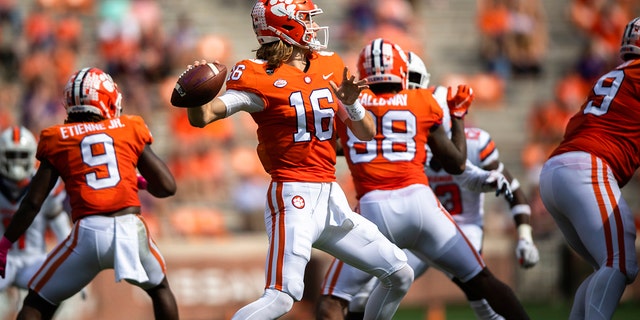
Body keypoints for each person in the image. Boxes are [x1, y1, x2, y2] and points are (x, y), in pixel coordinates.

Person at [180, 1, 414, 319]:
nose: (315, 26)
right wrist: (197, 97)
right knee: (281, 298)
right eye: (306, 20)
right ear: (284, 27)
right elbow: (204, 117)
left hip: (331, 198)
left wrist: (353, 105)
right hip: (293, 197)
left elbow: (367, 133)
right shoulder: (256, 75)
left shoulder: (329, 64)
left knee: (399, 272)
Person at [317, 38, 530, 320]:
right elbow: (455, 163)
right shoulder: (422, 101)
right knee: (482, 280)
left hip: (374, 209)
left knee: (334, 300)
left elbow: (333, 147)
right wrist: (457, 118)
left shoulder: (346, 105)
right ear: (401, 70)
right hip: (422, 205)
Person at [0, 67, 179, 320]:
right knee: (160, 289)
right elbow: (167, 187)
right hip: (130, 229)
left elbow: (32, 202)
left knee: (37, 303)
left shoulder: (57, 138)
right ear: (107, 100)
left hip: (87, 233)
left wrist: (5, 243)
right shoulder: (129, 127)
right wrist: (141, 183)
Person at [538, 17, 640, 320]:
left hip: (558, 169)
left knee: (605, 266)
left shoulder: (611, 77)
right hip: (588, 168)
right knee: (620, 263)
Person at [0, 126, 73, 317]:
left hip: (33, 259)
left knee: (59, 282)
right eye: (11, 155)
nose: (16, 161)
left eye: (21, 155)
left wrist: (71, 261)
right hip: (3, 261)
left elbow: (60, 224)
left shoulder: (44, 183)